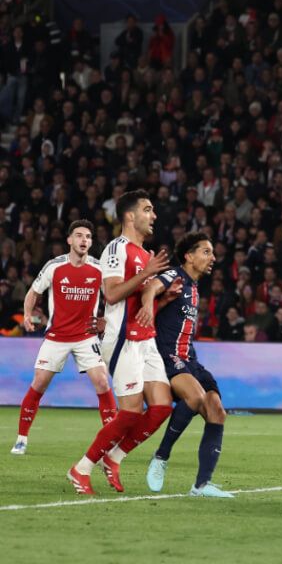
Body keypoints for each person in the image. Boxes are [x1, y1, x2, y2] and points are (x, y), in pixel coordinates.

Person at [68, 190, 175, 495]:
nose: (153, 216)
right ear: (130, 216)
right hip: (123, 339)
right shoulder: (118, 248)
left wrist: (163, 296)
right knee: (129, 412)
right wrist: (149, 274)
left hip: (146, 338)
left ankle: (114, 458)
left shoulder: (144, 254)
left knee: (161, 407)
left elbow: (142, 305)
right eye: (147, 209)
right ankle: (81, 468)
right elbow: (112, 294)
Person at [140, 232, 233, 498]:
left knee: (217, 411)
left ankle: (201, 486)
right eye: (206, 252)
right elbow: (150, 288)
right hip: (168, 354)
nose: (212, 258)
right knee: (195, 397)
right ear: (189, 256)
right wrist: (148, 307)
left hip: (190, 358)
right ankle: (160, 457)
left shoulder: (193, 286)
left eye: (212, 252)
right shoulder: (175, 276)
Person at [11, 221, 115, 455]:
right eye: (79, 236)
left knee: (102, 382)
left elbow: (113, 298)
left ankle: (111, 441)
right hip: (57, 336)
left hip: (87, 337)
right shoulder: (54, 266)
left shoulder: (99, 269)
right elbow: (33, 292)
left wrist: (106, 320)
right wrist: (27, 314)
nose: (84, 240)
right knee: (39, 383)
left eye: (88, 236)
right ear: (69, 240)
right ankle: (21, 439)